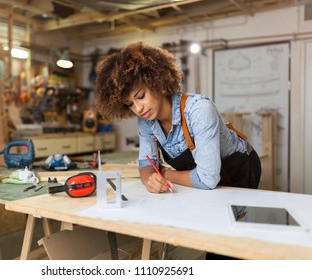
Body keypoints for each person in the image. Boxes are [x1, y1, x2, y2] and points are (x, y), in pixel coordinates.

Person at [94, 42, 262, 259]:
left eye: (141, 95)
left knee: (225, 241)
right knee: (208, 230)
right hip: (201, 173)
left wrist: (163, 174)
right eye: (129, 104)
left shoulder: (198, 109)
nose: (138, 108)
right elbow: (146, 164)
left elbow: (208, 178)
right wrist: (149, 179)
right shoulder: (147, 121)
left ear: (157, 82)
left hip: (238, 167)